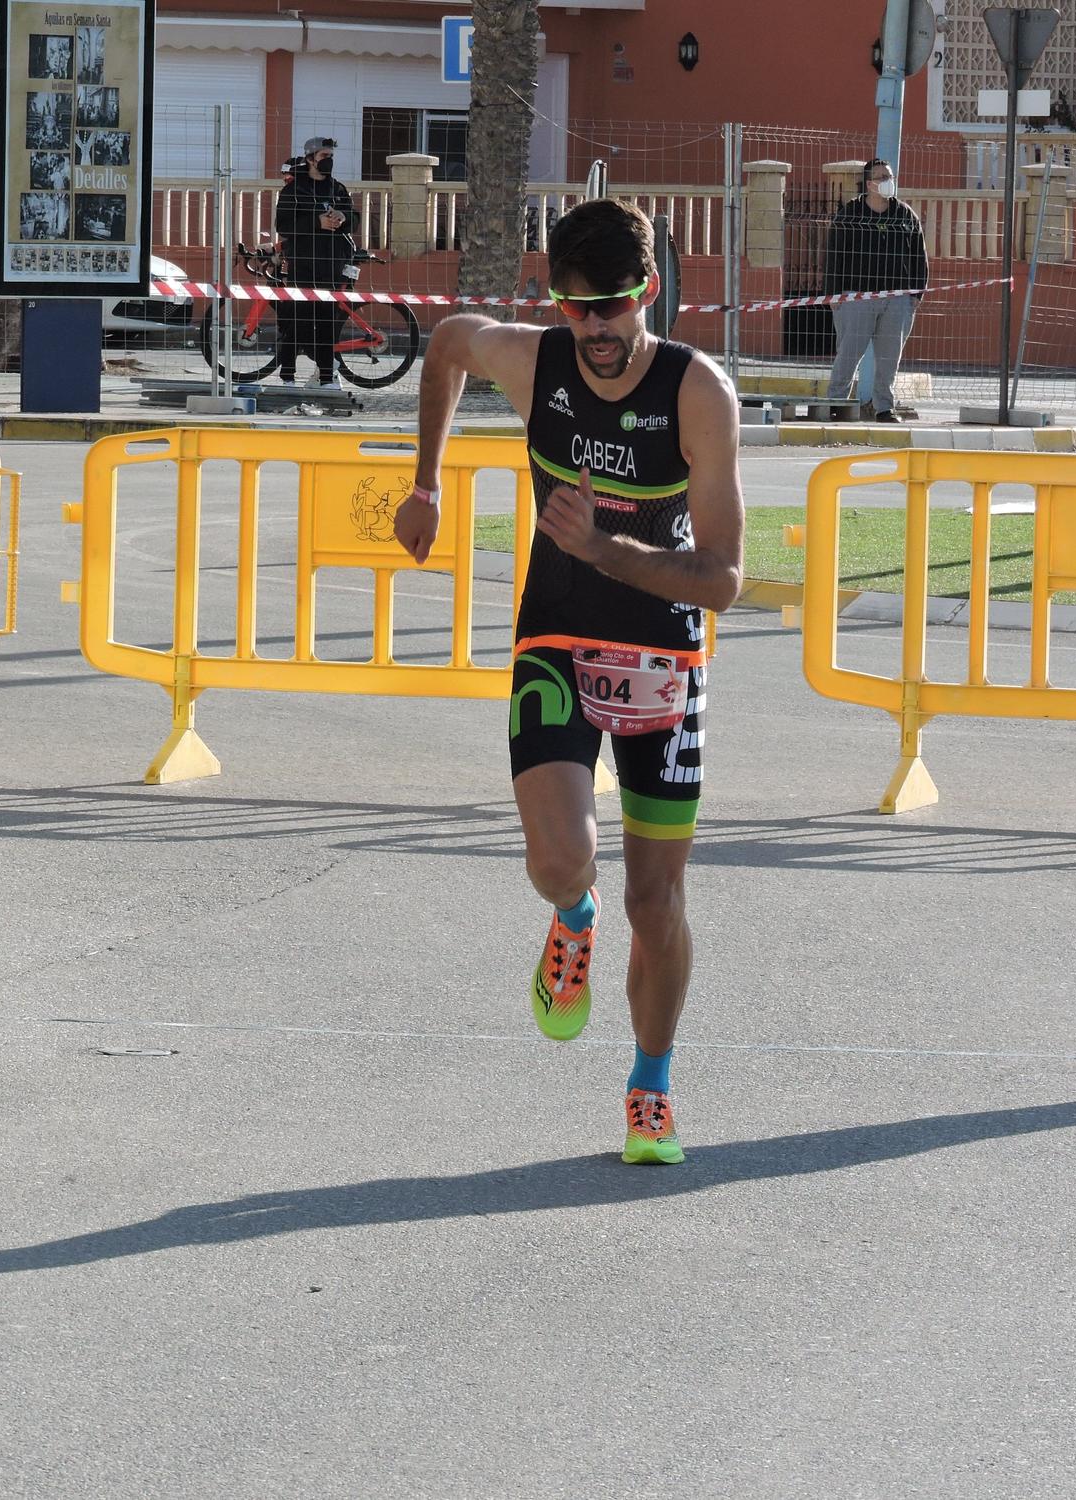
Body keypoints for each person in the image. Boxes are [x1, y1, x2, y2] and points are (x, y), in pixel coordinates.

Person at [396, 199, 744, 1163]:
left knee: (656, 903)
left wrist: (608, 549)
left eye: (614, 308)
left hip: (662, 654)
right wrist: (426, 478)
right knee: (559, 861)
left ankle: (650, 1084)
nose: (593, 330)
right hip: (554, 635)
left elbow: (722, 578)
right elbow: (447, 347)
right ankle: (569, 916)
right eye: (574, 309)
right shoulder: (534, 358)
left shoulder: (697, 390)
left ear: (651, 295)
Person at [823, 158, 928, 422]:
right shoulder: (850, 214)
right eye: (881, 177)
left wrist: (916, 295)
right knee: (849, 355)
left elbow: (919, 257)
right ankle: (836, 404)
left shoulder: (905, 215)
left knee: (889, 359)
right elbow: (834, 256)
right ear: (869, 184)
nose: (887, 181)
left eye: (889, 176)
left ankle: (883, 407)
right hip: (856, 298)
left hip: (897, 300)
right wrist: (835, 295)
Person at [273, 136, 359, 389]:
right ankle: (288, 377)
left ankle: (326, 378)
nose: (328, 161)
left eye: (331, 157)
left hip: (333, 264)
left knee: (327, 324)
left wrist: (343, 218)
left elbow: (355, 219)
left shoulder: (338, 189)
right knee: (297, 322)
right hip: (304, 264)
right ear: (310, 159)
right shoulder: (294, 190)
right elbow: (284, 226)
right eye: (323, 157)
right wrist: (316, 222)